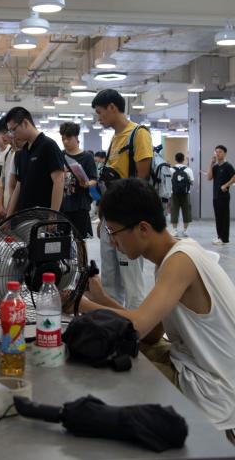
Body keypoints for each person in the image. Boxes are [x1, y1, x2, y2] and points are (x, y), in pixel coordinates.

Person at [73, 178, 235, 426]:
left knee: (103, 375)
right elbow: (152, 333)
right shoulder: (173, 255)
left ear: (143, 228)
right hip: (193, 368)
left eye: (113, 232)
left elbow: (136, 327)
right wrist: (102, 299)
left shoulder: (180, 261)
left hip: (207, 390)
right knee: (112, 353)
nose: (112, 242)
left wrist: (79, 303)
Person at [91, 89, 150, 308]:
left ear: (112, 108)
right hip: (111, 219)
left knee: (131, 282)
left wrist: (127, 222)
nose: (99, 118)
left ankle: (136, 324)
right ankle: (113, 322)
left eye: (100, 112)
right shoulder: (115, 139)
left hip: (128, 219)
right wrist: (103, 218)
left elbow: (142, 179)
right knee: (109, 280)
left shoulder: (138, 134)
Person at [1, 107, 65, 217]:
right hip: (25, 216)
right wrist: (9, 217)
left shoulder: (48, 146)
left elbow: (59, 181)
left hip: (43, 217)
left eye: (13, 130)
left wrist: (53, 216)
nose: (12, 135)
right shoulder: (22, 152)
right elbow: (19, 186)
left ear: (25, 123)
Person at [59, 121, 96, 239]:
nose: (65, 142)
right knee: (62, 239)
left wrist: (87, 183)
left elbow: (94, 179)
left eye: (68, 138)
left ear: (76, 137)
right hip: (63, 204)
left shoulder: (87, 157)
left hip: (80, 204)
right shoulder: (59, 155)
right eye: (63, 139)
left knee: (80, 239)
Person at [206, 145, 235, 246]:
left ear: (224, 153)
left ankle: (224, 239)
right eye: (216, 152)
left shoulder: (227, 166)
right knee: (218, 217)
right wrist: (211, 164)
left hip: (223, 196)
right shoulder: (216, 167)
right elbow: (209, 177)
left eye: (220, 152)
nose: (217, 154)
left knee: (224, 218)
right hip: (216, 196)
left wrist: (226, 185)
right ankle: (219, 237)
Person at [170, 152, 194, 238]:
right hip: (186, 194)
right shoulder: (188, 170)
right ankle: (185, 230)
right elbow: (192, 182)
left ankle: (174, 230)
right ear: (183, 159)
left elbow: (169, 182)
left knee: (174, 211)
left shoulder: (171, 170)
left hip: (174, 193)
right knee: (186, 211)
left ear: (175, 159)